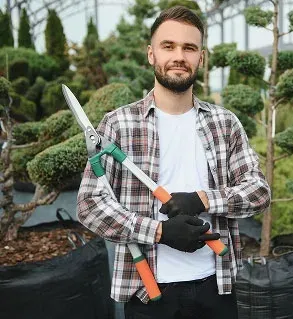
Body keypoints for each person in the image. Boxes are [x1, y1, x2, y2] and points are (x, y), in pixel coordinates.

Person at [77, 5, 271, 319]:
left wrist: (204, 199)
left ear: (201, 58)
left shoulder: (225, 123)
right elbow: (89, 205)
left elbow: (259, 191)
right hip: (148, 291)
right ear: (151, 54)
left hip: (217, 285)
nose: (179, 56)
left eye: (189, 48)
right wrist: (158, 232)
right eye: (169, 46)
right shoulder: (119, 125)